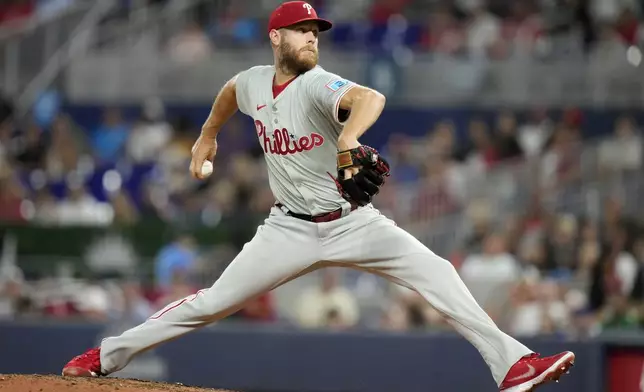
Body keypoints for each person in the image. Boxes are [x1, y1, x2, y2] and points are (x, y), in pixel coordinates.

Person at [62, 2, 575, 391]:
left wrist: (350, 137)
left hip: (354, 222)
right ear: (276, 38)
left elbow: (370, 97)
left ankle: (511, 365)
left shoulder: (318, 84)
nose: (311, 39)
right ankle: (106, 357)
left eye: (315, 32)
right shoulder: (253, 83)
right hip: (287, 230)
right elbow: (228, 94)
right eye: (302, 31)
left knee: (437, 271)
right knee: (212, 302)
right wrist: (208, 135)